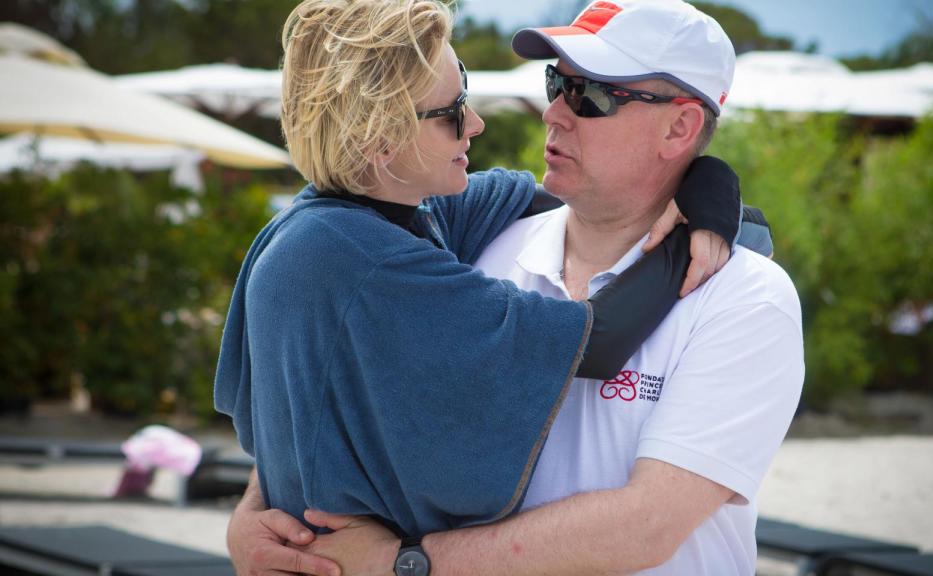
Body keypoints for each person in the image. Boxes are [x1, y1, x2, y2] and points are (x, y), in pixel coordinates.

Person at [227, 1, 802, 575]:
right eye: (557, 83)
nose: (551, 112)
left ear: (680, 127)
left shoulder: (747, 299)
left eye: (590, 95)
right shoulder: (462, 249)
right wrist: (256, 510)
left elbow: (646, 526)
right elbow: (318, 384)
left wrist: (717, 190)